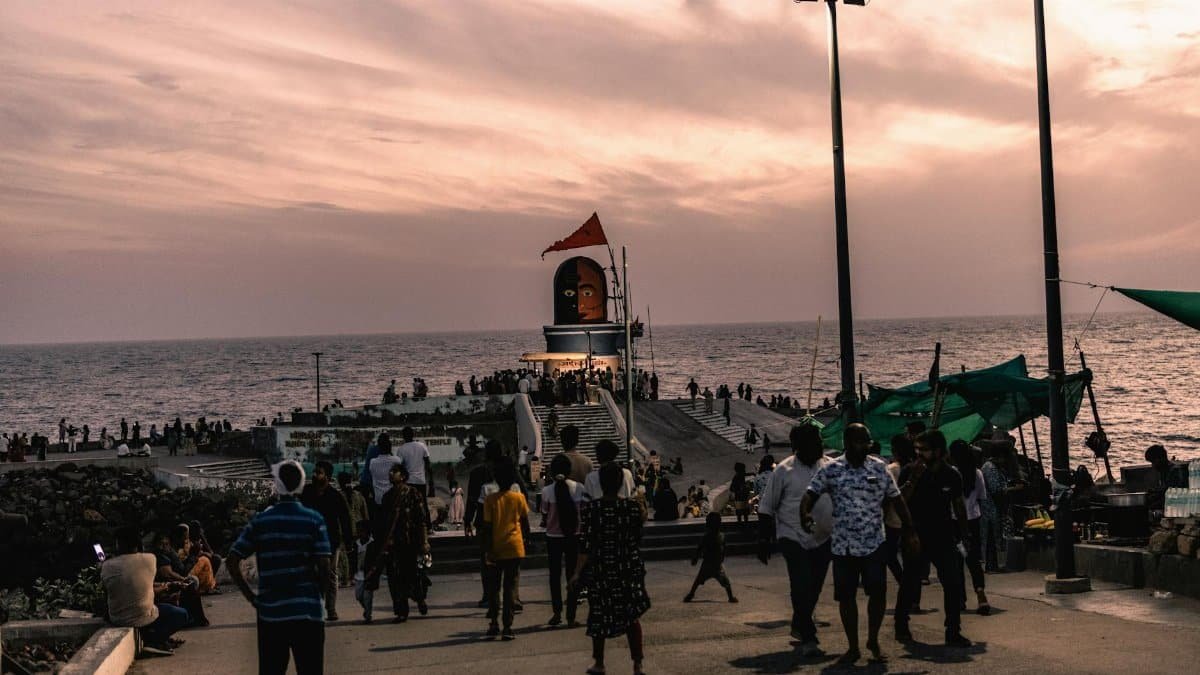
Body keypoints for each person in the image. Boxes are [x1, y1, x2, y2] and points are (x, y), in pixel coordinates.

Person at [801, 423, 916, 664]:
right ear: (847, 442)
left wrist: (909, 530)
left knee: (878, 592)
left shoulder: (879, 467)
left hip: (874, 542)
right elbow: (810, 494)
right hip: (843, 545)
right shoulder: (832, 469)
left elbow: (897, 500)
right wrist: (805, 514)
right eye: (861, 441)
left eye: (867, 441)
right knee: (846, 596)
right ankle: (853, 646)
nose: (866, 445)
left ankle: (873, 639)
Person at [228, 460, 332, 675]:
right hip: (307, 613)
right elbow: (324, 566)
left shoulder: (261, 522)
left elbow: (232, 560)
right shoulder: (314, 520)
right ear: (302, 484)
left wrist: (252, 597)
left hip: (271, 614)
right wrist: (319, 597)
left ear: (277, 485)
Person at [757, 424, 833, 656]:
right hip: (792, 535)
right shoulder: (783, 470)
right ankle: (808, 632)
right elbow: (767, 507)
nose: (820, 445)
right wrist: (763, 539)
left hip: (824, 536)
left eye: (820, 441)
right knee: (801, 581)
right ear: (798, 447)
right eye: (814, 442)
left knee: (816, 586)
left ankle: (799, 621)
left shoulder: (830, 466)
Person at [894, 429, 974, 648]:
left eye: (924, 450)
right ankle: (901, 624)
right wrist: (914, 479)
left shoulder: (952, 474)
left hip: (943, 535)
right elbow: (901, 500)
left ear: (938, 451)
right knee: (910, 582)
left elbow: (958, 505)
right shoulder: (910, 471)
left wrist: (965, 534)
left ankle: (953, 630)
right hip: (916, 534)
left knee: (952, 582)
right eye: (917, 450)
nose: (919, 454)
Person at [570, 463, 650, 675]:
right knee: (631, 616)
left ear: (601, 483)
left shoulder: (593, 509)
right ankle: (637, 664)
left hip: (602, 568)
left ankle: (599, 662)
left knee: (599, 614)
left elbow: (586, 545)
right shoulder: (633, 508)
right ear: (622, 482)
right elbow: (638, 535)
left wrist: (577, 572)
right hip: (628, 566)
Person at [102, 526, 192, 653]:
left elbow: (109, 592)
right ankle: (155, 640)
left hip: (118, 619)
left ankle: (155, 639)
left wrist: (166, 586)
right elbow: (146, 585)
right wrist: (167, 587)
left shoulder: (106, 566)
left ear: (117, 544)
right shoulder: (150, 559)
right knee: (181, 614)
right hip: (144, 617)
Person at [369, 463, 430, 622]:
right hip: (392, 544)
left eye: (394, 471)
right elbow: (383, 522)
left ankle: (419, 598)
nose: (391, 474)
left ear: (403, 476)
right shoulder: (387, 496)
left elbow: (422, 519)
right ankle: (401, 611)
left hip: (410, 542)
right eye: (390, 471)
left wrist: (424, 542)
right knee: (394, 578)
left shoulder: (413, 493)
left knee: (413, 575)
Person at [482, 459, 530, 640]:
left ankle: (494, 622)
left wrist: (487, 549)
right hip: (515, 547)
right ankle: (508, 627)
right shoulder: (519, 498)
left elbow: (487, 527)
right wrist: (526, 540)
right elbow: (524, 523)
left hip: (496, 546)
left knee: (494, 587)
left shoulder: (490, 500)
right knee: (510, 587)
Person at [301, 461, 353, 621]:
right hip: (309, 541)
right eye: (315, 472)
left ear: (328, 477)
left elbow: (345, 519)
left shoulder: (335, 496)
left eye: (319, 472)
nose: (315, 475)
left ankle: (331, 609)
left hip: (331, 541)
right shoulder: (306, 492)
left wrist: (349, 540)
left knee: (330, 575)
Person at [541, 454, 584, 627]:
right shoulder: (579, 488)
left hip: (553, 538)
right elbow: (584, 511)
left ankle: (556, 612)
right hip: (574, 535)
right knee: (572, 575)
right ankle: (571, 616)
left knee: (554, 575)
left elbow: (545, 513)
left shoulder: (547, 491)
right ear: (569, 470)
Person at [950, 440, 991, 615]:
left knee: (956, 561)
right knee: (973, 560)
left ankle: (960, 598)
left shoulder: (951, 473)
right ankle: (981, 594)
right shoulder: (977, 473)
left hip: (953, 521)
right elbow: (982, 497)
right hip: (973, 520)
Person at [153, 529, 210, 626]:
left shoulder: (169, 553)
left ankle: (195, 618)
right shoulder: (159, 556)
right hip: (162, 587)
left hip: (166, 583)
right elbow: (168, 573)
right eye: (161, 544)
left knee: (190, 583)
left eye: (166, 544)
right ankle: (195, 619)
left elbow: (178, 569)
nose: (164, 546)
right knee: (189, 585)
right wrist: (181, 580)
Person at [684, 512, 738, 603]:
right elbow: (722, 548)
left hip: (710, 563)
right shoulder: (716, 536)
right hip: (713, 563)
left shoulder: (711, 536)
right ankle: (730, 597)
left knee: (699, 580)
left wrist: (696, 558)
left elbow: (700, 548)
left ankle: (691, 594)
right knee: (724, 582)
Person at [367, 432, 404, 506]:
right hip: (393, 498)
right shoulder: (396, 460)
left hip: (378, 499)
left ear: (379, 448)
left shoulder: (373, 462)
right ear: (390, 448)